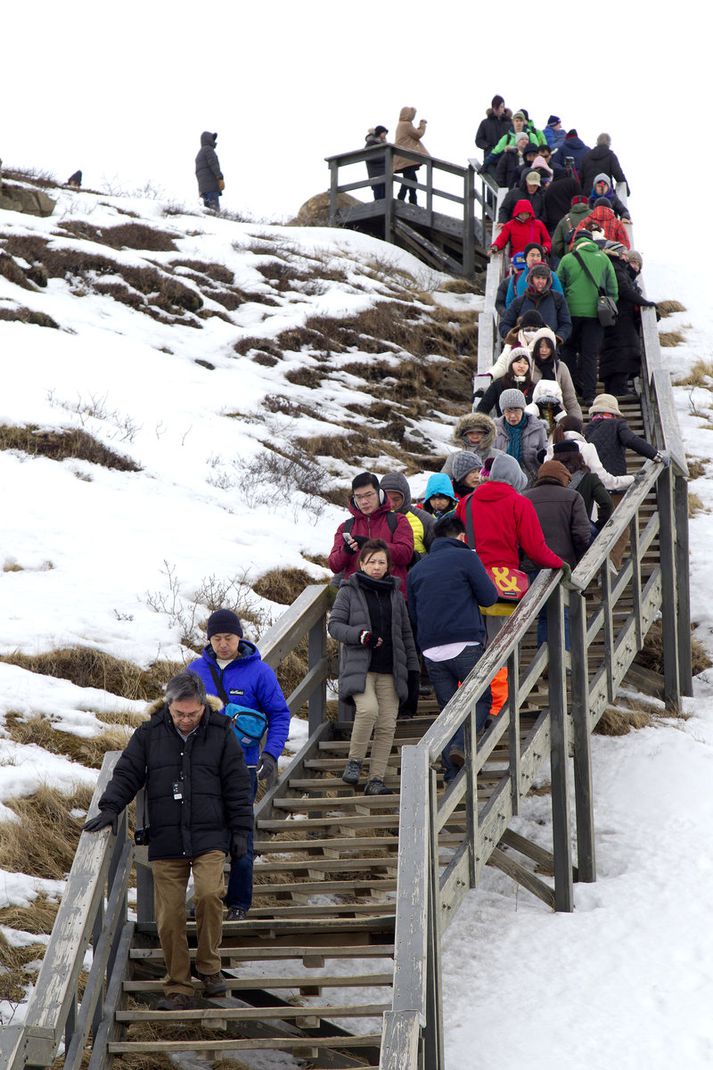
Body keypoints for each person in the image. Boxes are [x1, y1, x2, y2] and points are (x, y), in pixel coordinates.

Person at [82, 671, 253, 1009]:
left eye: (193, 713)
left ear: (203, 706)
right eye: (180, 714)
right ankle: (177, 986)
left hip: (210, 835)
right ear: (169, 706)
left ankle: (209, 968)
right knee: (170, 914)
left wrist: (241, 834)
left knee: (208, 895)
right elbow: (127, 772)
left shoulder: (221, 733)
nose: (187, 720)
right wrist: (111, 808)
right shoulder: (149, 734)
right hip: (166, 838)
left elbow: (237, 788)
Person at [188, 609, 291, 921]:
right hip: (202, 766)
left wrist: (270, 755)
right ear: (209, 639)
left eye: (228, 638)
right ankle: (208, 898)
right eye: (216, 638)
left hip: (242, 767)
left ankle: (239, 902)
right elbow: (176, 711)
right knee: (204, 833)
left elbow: (279, 714)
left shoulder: (259, 672)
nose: (222, 644)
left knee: (240, 832)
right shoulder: (194, 670)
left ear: (240, 637)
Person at [407, 515, 498, 778]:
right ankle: (459, 746)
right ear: (461, 537)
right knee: (480, 700)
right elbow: (489, 597)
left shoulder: (417, 570)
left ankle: (450, 773)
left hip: (431, 650)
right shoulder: (466, 558)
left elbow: (413, 614)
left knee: (448, 710)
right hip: (464, 642)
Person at [329, 540, 419, 795]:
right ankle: (355, 761)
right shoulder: (348, 591)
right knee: (368, 711)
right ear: (361, 564)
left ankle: (376, 779)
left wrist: (412, 671)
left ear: (389, 565)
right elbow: (334, 626)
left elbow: (406, 635)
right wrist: (360, 635)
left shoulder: (395, 594)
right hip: (361, 668)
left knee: (388, 725)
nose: (377, 566)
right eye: (371, 562)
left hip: (391, 669)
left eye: (381, 562)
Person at [585, 394, 667, 568]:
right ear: (613, 412)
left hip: (592, 490)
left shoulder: (587, 430)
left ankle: (593, 568)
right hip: (614, 487)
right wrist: (655, 454)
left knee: (598, 530)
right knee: (620, 531)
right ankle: (610, 569)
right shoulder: (617, 425)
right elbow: (631, 440)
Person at [522, 461, 591, 647]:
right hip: (561, 566)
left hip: (531, 567)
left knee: (544, 616)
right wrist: (578, 558)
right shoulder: (573, 497)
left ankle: (543, 660)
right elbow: (582, 534)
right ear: (563, 477)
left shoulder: (524, 497)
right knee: (563, 614)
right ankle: (563, 663)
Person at [557, 231, 619, 406]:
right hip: (595, 315)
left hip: (570, 313)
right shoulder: (604, 258)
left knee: (568, 350)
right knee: (590, 355)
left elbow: (558, 287)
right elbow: (613, 287)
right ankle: (589, 395)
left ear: (575, 243)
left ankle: (573, 388)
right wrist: (609, 303)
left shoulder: (567, 259)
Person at [329, 472, 414, 592]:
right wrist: (345, 551)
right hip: (356, 599)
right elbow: (334, 565)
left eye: (369, 495)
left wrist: (373, 545)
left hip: (391, 596)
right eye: (359, 497)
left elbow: (406, 555)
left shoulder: (398, 520)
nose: (364, 501)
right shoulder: (345, 527)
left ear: (379, 494)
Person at [599, 244, 659, 396]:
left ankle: (613, 389)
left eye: (637, 264)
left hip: (616, 317)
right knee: (623, 351)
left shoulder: (614, 269)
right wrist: (644, 302)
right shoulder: (617, 270)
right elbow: (624, 290)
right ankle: (619, 389)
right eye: (626, 256)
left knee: (617, 351)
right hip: (620, 319)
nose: (632, 264)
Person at [545, 415, 635, 493]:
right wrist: (632, 478)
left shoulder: (550, 450)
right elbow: (604, 480)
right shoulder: (587, 448)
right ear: (580, 431)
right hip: (583, 505)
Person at [552, 440, 613, 535]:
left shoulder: (548, 480)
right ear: (578, 457)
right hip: (581, 533)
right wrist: (597, 526)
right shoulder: (590, 479)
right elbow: (607, 503)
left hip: (554, 534)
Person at [499, 264, 572, 342]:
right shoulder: (519, 301)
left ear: (548, 280)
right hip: (524, 349)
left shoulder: (558, 299)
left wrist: (556, 338)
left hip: (548, 349)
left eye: (544, 278)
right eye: (537, 277)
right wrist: (517, 337)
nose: (540, 281)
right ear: (531, 279)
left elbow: (566, 324)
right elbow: (504, 324)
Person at [493, 388, 548, 485]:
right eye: (508, 411)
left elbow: (545, 458)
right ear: (503, 411)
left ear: (523, 410)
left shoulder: (538, 428)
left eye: (516, 411)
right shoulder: (494, 429)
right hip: (502, 483)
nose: (513, 416)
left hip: (531, 483)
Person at [379, 472, 435, 561]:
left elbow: (438, 556)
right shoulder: (373, 519)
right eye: (387, 499)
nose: (391, 504)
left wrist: (414, 558)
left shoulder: (425, 520)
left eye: (396, 499)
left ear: (406, 498)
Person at [442, 412, 501, 478]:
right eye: (470, 433)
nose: (475, 436)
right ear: (464, 435)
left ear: (487, 434)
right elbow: (443, 481)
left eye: (479, 432)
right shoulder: (454, 457)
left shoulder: (498, 455)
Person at [477, 347, 534, 415]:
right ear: (510, 364)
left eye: (525, 363)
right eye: (518, 362)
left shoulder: (532, 387)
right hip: (502, 424)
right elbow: (482, 409)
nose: (522, 366)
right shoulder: (498, 384)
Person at [393, 107, 429, 204]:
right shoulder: (406, 125)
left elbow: (413, 134)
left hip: (405, 158)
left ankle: (411, 200)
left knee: (411, 179)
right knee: (410, 179)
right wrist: (423, 125)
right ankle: (403, 198)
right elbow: (418, 134)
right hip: (407, 158)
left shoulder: (402, 124)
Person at [475, 95, 513, 161]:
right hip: (491, 158)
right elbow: (478, 140)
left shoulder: (510, 123)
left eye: (501, 107)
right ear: (493, 108)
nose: (499, 109)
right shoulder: (485, 123)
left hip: (507, 159)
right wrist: (488, 146)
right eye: (496, 107)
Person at [195, 131, 224, 212]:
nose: (214, 141)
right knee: (215, 212)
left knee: (208, 213)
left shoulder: (200, 153)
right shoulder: (208, 149)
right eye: (212, 139)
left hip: (203, 189)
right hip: (211, 187)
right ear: (208, 140)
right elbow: (214, 165)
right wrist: (220, 177)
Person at [364, 126, 388, 200]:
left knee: (385, 192)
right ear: (379, 133)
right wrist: (384, 158)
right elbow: (369, 157)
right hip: (375, 172)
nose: (385, 135)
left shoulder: (383, 144)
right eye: (383, 133)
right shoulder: (371, 143)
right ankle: (379, 209)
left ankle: (384, 210)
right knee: (378, 192)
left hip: (383, 171)